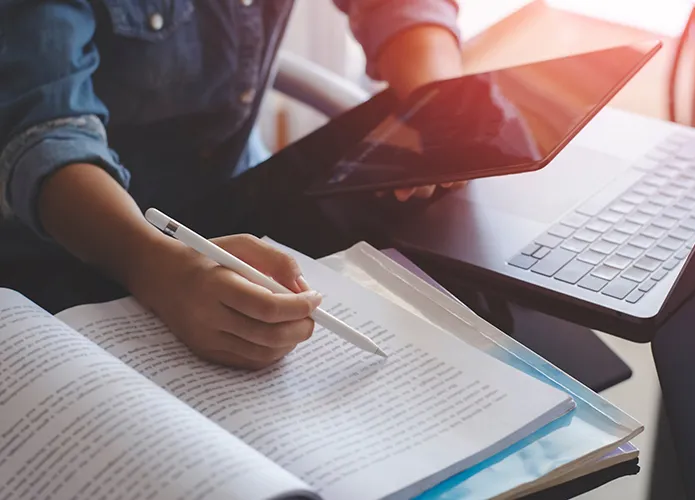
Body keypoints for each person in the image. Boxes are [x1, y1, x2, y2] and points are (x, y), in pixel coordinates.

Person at [0, 1, 465, 369]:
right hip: (75, 243)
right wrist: (153, 265)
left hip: (241, 192)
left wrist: (437, 102)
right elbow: (44, 135)